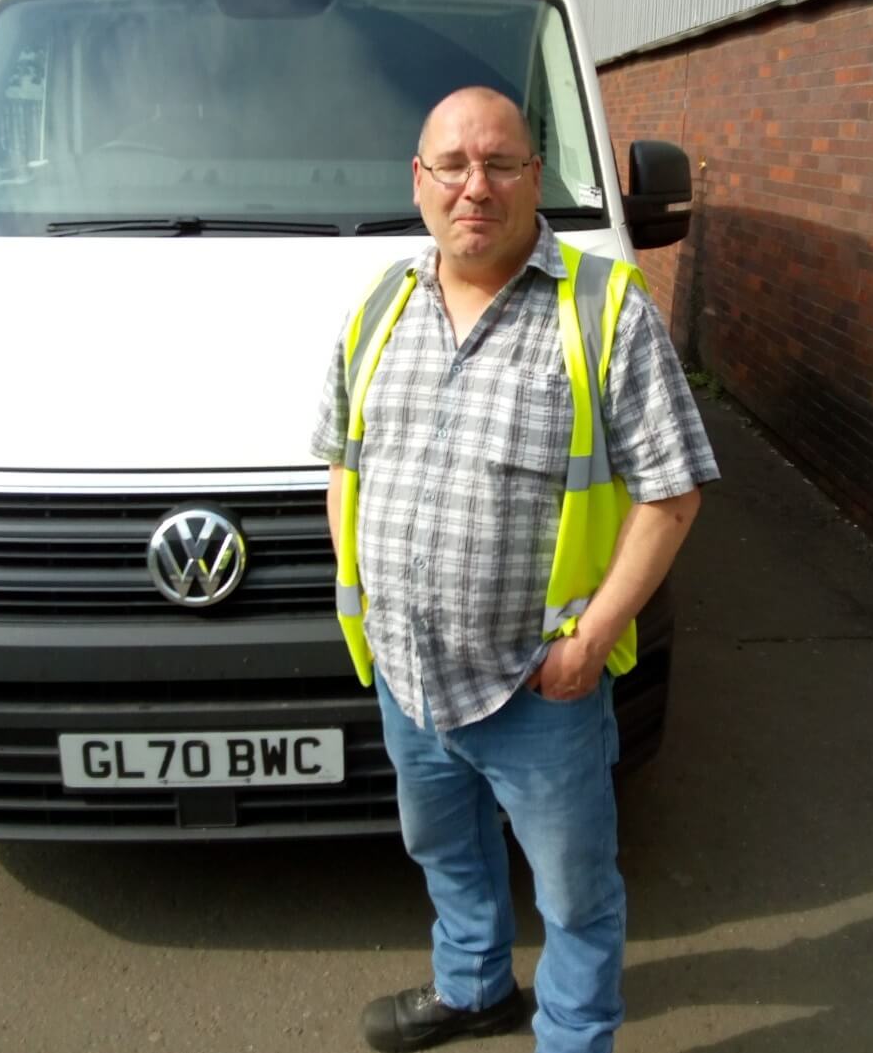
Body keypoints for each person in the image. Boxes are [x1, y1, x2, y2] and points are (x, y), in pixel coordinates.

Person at [310, 85, 719, 1053]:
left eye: (499, 163)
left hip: (542, 687)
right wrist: (363, 602)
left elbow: (672, 495)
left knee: (575, 889)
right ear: (419, 182)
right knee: (445, 849)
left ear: (537, 176)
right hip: (409, 679)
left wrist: (596, 638)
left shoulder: (605, 310)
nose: (475, 186)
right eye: (452, 165)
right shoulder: (380, 308)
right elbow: (340, 459)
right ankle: (474, 985)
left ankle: (574, 1035)